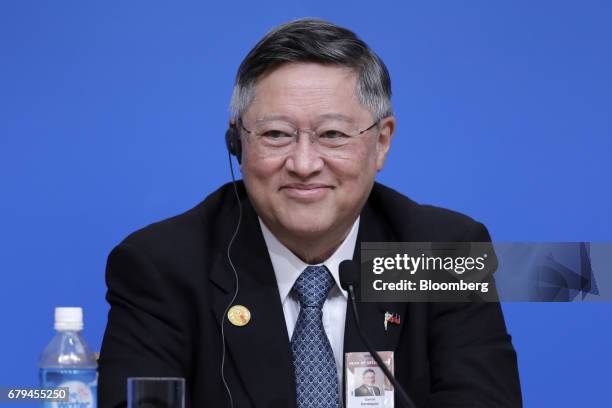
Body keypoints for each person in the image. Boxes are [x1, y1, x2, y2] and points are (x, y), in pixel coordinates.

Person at [98, 18, 522, 408]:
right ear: (238, 144)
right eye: (276, 134)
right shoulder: (164, 266)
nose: (303, 164)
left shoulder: (437, 256)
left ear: (382, 142)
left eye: (332, 134)